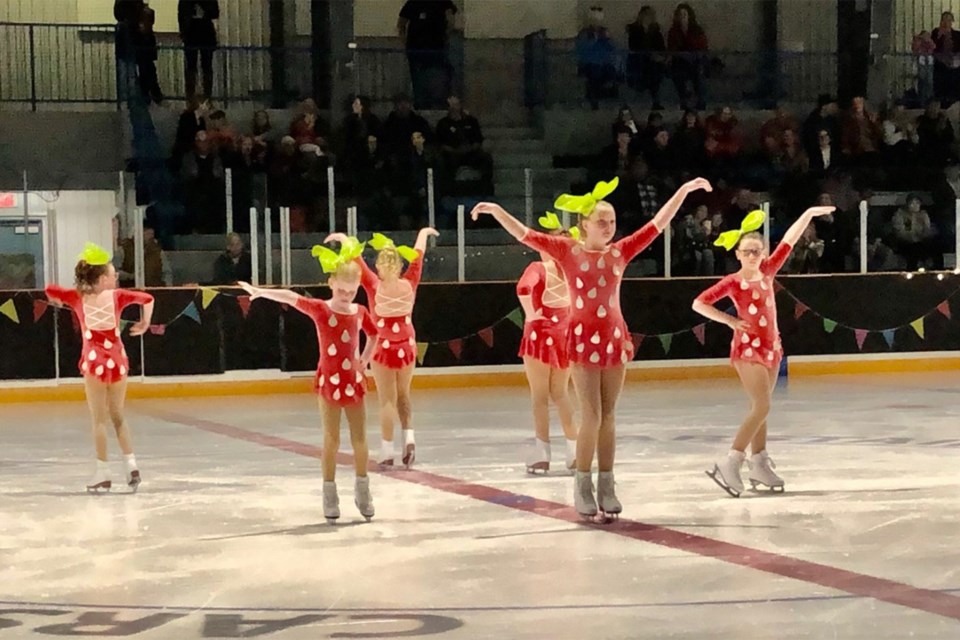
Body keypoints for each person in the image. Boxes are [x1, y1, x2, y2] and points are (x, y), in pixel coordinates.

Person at [472, 176, 712, 522]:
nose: (609, 226)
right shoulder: (567, 251)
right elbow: (525, 234)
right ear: (583, 225)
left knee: (609, 416)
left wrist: (683, 191)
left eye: (612, 221)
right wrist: (496, 210)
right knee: (592, 415)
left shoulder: (620, 251)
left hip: (614, 336)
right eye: (602, 221)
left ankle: (607, 484)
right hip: (582, 337)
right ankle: (582, 484)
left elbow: (658, 223)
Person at [692, 205, 834, 497]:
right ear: (738, 255)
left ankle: (759, 462)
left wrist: (806, 214)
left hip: (772, 347)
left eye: (758, 251)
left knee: (761, 408)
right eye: (748, 252)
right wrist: (730, 321)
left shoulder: (769, 271)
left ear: (764, 253)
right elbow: (699, 303)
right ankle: (731, 460)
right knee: (762, 406)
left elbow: (790, 241)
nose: (753, 256)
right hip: (747, 349)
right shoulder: (733, 282)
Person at [238, 238, 378, 524]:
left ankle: (363, 490)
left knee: (360, 439)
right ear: (330, 283)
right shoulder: (321, 309)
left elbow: (374, 335)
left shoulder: (359, 312)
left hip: (354, 380)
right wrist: (260, 292)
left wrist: (365, 359)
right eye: (341, 290)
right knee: (331, 439)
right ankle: (329, 493)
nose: (346, 295)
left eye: (351, 292)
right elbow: (291, 297)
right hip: (329, 381)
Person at [44, 243, 154, 492]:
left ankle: (103, 472)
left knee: (99, 420)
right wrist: (145, 323)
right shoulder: (118, 297)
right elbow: (148, 299)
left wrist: (59, 298)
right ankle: (131, 466)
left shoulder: (77, 297)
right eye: (113, 274)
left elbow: (50, 289)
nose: (116, 277)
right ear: (103, 279)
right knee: (119, 416)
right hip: (117, 360)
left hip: (94, 361)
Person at [325, 227, 438, 469]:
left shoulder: (373, 285)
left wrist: (344, 239)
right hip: (407, 343)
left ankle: (387, 450)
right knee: (404, 394)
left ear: (379, 266)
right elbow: (418, 257)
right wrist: (423, 233)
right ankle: (409, 437)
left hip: (383, 346)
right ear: (398, 265)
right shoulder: (410, 283)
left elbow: (356, 260)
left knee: (387, 399)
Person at [518, 213, 578, 474]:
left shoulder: (538, 268)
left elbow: (523, 289)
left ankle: (542, 453)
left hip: (540, 334)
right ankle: (575, 451)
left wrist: (531, 314)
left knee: (539, 396)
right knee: (562, 394)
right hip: (565, 333)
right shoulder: (573, 271)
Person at [397, 0, 457, 109]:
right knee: (419, 81)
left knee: (436, 81)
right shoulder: (413, 3)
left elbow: (451, 19)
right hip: (416, 51)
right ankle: (421, 105)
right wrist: (404, 42)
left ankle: (436, 105)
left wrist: (446, 36)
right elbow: (401, 23)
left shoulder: (442, 2)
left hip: (435, 50)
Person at [178, 0, 219, 102]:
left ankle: (207, 97)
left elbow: (215, 13)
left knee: (206, 65)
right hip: (191, 32)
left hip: (205, 32)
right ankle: (190, 97)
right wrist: (183, 32)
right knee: (191, 66)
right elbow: (181, 14)